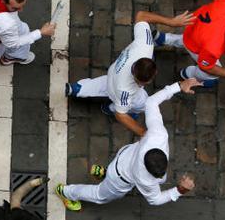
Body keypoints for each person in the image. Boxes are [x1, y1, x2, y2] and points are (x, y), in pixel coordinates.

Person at [55, 78, 200, 211]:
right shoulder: (146, 180)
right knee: (99, 195)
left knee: (115, 167)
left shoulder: (157, 135)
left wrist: (179, 86)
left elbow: (151, 102)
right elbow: (155, 200)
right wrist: (180, 190)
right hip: (119, 179)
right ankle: (66, 192)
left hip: (124, 156)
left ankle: (106, 173)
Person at [66, 9, 194, 136]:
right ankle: (108, 108)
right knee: (142, 104)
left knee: (101, 85)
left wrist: (171, 22)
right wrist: (143, 133)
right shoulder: (126, 91)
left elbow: (141, 16)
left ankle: (76, 89)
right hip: (116, 89)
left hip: (113, 72)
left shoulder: (145, 44)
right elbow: (120, 114)